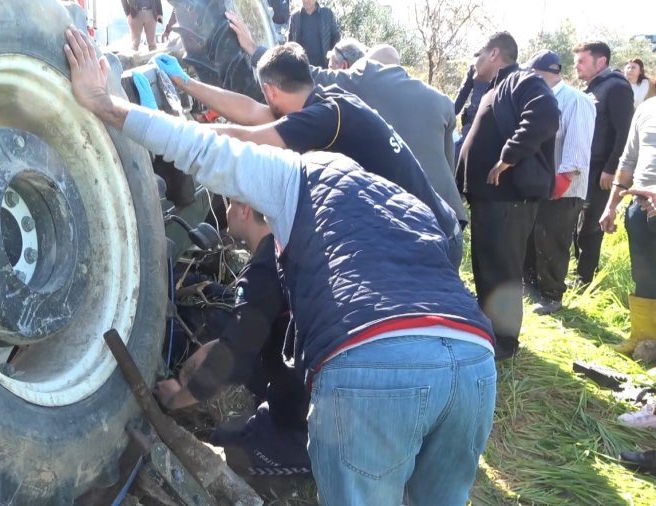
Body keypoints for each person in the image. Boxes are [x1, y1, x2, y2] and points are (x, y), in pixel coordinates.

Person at [63, 24, 496, 506]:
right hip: (473, 361)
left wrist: (106, 104)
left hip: (375, 368)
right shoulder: (400, 196)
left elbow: (205, 147)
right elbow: (255, 114)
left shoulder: (299, 175)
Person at [154, 43, 464, 267]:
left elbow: (246, 136)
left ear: (271, 90)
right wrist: (186, 83)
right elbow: (251, 111)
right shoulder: (329, 104)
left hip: (431, 240)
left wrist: (171, 129)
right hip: (437, 226)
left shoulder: (327, 117)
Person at [226, 12, 467, 230]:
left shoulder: (361, 81)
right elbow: (449, 162)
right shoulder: (441, 100)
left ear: (352, 66)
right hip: (448, 211)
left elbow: (303, 76)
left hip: (418, 222)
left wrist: (254, 48)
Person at [154, 199, 310, 476]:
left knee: (235, 454)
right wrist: (219, 346)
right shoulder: (290, 244)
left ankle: (308, 452)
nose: (225, 208)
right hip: (313, 370)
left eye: (229, 202)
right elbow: (252, 331)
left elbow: (236, 357)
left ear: (244, 210)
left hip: (323, 414)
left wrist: (176, 398)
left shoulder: (264, 269)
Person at [457, 32, 560, 360]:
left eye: (479, 54)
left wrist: (509, 156)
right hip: (490, 199)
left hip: (508, 199)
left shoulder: (522, 79)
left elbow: (545, 114)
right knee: (487, 267)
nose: (474, 63)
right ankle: (488, 331)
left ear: (495, 53)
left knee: (501, 270)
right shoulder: (494, 87)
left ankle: (504, 343)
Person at [522, 50, 596, 315]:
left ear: (541, 73)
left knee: (552, 241)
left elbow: (577, 148)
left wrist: (562, 181)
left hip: (563, 187)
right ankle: (529, 286)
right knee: (531, 238)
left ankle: (552, 295)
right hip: (537, 184)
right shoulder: (537, 99)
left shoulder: (576, 100)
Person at [572, 41, 635, 287]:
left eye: (582, 61)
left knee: (591, 224)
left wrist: (611, 168)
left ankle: (584, 280)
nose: (577, 66)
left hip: (602, 170)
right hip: (584, 167)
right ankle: (579, 270)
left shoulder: (616, 87)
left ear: (601, 62)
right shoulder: (592, 88)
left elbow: (624, 132)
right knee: (578, 222)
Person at [599, 97, 656, 354]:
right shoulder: (646, 108)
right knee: (644, 276)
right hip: (640, 206)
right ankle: (645, 340)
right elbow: (629, 160)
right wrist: (611, 205)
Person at [453, 64, 490, 168]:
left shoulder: (511, 73)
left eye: (479, 54)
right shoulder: (475, 68)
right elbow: (456, 106)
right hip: (470, 129)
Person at [287, 0, 339, 68]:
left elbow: (336, 38)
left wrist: (334, 60)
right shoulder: (295, 16)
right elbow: (290, 42)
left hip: (324, 66)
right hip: (302, 67)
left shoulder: (327, 14)